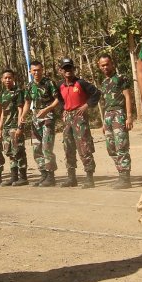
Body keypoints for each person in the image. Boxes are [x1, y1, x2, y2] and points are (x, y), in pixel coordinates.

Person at [57, 58, 101, 188]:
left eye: (70, 67)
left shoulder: (81, 83)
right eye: (65, 68)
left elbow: (96, 93)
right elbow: (59, 99)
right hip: (68, 120)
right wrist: (63, 110)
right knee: (68, 147)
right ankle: (71, 178)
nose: (68, 71)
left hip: (79, 117)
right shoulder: (60, 85)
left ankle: (89, 177)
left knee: (84, 146)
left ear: (74, 69)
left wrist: (86, 105)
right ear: (61, 71)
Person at [97, 54, 134, 189]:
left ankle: (125, 178)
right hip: (108, 116)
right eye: (102, 65)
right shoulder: (104, 82)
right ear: (99, 66)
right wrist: (103, 122)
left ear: (112, 64)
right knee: (110, 147)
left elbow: (127, 96)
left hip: (119, 114)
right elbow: (105, 102)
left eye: (107, 64)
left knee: (121, 145)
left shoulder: (121, 78)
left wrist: (129, 116)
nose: (105, 67)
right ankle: (120, 173)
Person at [23, 60, 61, 187]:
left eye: (39, 70)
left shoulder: (49, 83)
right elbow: (27, 103)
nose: (37, 72)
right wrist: (23, 116)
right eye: (34, 70)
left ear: (42, 70)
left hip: (48, 118)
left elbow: (57, 101)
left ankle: (51, 176)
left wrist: (46, 110)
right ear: (30, 72)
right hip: (35, 120)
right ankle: (43, 174)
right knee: (36, 148)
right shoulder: (29, 86)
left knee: (46, 147)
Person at [0, 69, 30, 186]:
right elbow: (2, 113)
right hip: (6, 127)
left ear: (13, 79)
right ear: (2, 80)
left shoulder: (18, 92)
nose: (7, 80)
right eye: (5, 78)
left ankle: (23, 177)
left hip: (15, 126)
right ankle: (13, 177)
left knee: (18, 151)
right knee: (10, 152)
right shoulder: (2, 94)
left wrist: (20, 126)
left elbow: (21, 109)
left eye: (9, 78)